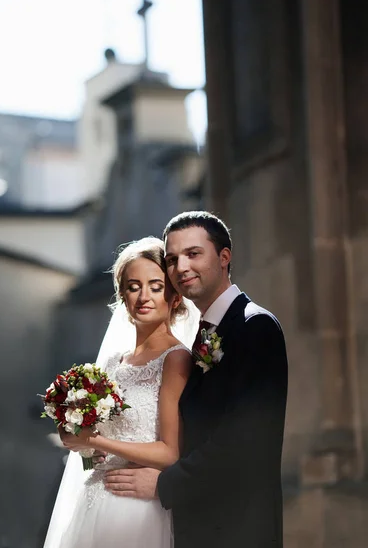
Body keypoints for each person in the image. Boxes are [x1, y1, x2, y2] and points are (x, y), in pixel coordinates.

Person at [104, 211, 288, 548]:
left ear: (224, 257)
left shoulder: (253, 326)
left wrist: (163, 485)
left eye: (193, 254)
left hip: (239, 529)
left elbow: (243, 441)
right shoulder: (206, 334)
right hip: (198, 526)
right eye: (172, 259)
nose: (181, 267)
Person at [43, 237, 199, 548]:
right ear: (122, 296)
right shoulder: (114, 363)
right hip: (93, 502)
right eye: (133, 286)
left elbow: (170, 452)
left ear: (174, 297)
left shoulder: (176, 359)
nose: (144, 296)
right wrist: (82, 446)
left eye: (155, 286)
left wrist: (96, 440)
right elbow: (97, 456)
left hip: (136, 508)